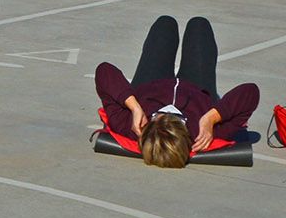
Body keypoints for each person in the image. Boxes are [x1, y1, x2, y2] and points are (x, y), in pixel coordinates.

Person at [95, 15, 260, 167]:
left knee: (165, 24)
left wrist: (134, 106)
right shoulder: (202, 133)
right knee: (199, 26)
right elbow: (250, 92)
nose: (167, 114)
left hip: (150, 83)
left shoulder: (131, 126)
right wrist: (212, 118)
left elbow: (104, 71)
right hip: (197, 87)